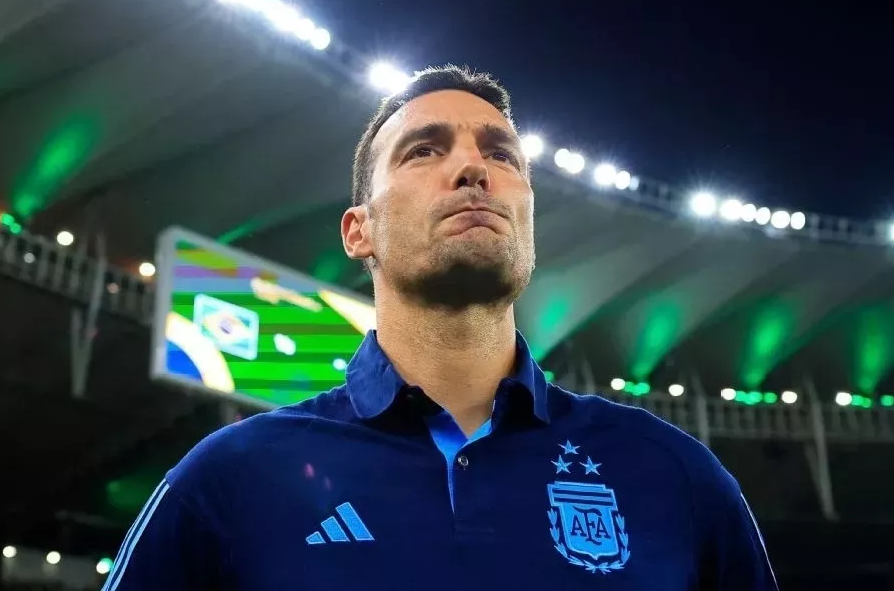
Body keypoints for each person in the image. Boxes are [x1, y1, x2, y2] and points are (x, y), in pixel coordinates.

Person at [106, 65, 779, 589]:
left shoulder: (674, 475)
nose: (473, 168)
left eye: (503, 155)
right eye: (424, 150)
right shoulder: (229, 479)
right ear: (358, 231)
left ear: (529, 218)